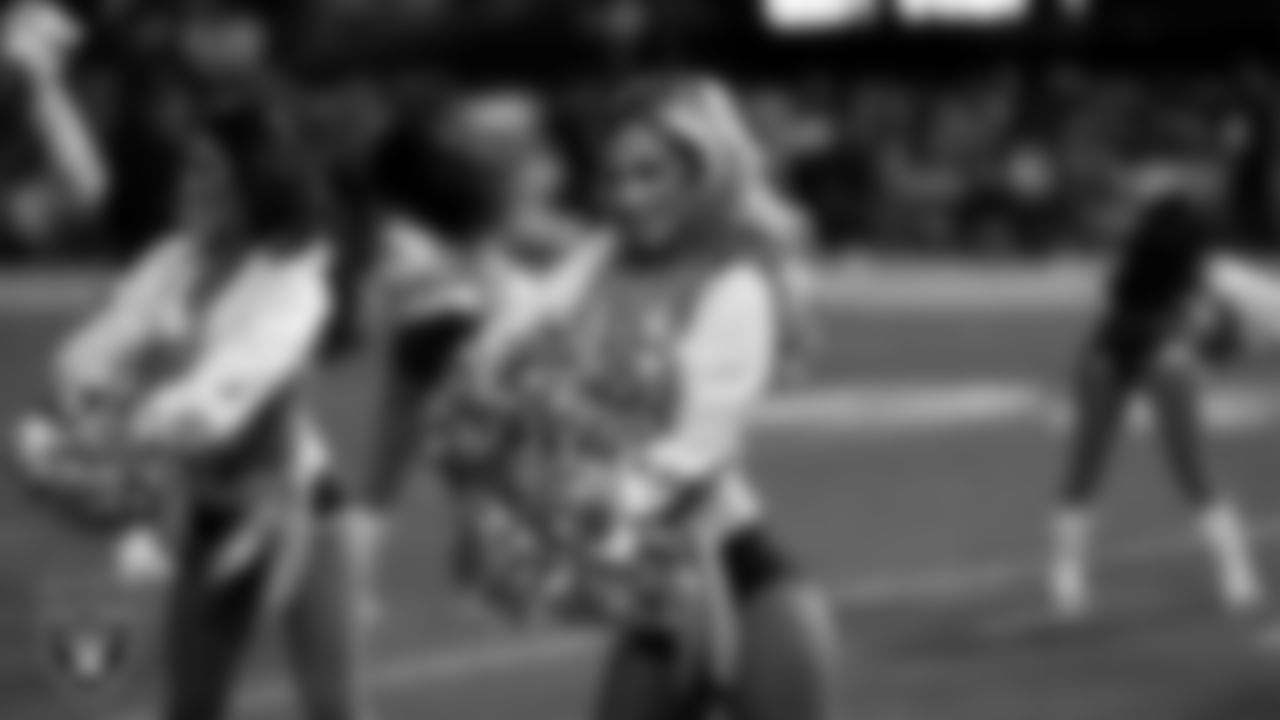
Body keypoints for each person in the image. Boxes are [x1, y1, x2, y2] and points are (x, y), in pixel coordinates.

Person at [15, 101, 369, 720]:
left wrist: (123, 431)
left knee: (334, 708)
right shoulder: (172, 263)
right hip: (212, 515)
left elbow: (221, 399)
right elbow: (87, 358)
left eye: (208, 172)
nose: (189, 186)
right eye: (188, 169)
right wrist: (61, 430)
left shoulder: (293, 282)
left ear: (256, 183)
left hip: (297, 511)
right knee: (191, 707)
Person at [1048, 157, 1267, 621]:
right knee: (1173, 463)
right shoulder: (1176, 249)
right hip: (1134, 343)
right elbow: (1213, 319)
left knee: (1106, 462)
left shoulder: (1156, 243)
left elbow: (1195, 307)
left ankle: (1069, 573)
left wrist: (1218, 335)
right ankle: (1234, 570)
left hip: (1130, 344)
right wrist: (1223, 339)